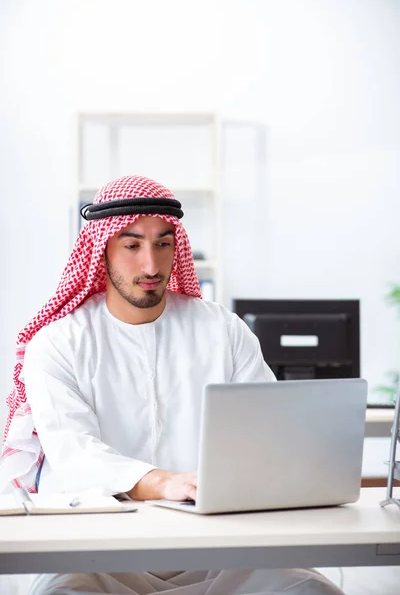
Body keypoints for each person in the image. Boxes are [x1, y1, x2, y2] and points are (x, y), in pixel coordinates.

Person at [0, 175, 344, 595]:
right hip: (99, 556)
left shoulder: (223, 330)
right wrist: (165, 482)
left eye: (164, 243)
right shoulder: (57, 344)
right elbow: (74, 458)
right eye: (132, 245)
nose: (151, 265)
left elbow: (270, 434)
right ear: (100, 247)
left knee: (309, 589)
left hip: (223, 553)